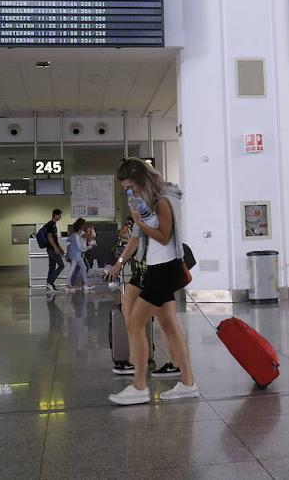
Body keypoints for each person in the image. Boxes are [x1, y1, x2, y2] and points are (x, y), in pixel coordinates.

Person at [107, 158, 198, 405]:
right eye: (125, 188)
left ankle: (138, 387)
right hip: (153, 268)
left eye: (131, 186)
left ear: (142, 181)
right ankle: (188, 383)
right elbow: (139, 238)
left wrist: (140, 224)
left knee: (135, 324)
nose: (129, 191)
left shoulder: (165, 200)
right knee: (168, 325)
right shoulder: (146, 202)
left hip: (164, 270)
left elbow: (163, 236)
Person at [64, 219, 96, 292]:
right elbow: (79, 247)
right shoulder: (76, 235)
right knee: (72, 269)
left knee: (83, 268)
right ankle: (68, 285)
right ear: (81, 226)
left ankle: (85, 284)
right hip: (75, 255)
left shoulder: (76, 234)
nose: (85, 225)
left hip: (77, 255)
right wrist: (89, 247)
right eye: (83, 224)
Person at [42, 209, 67, 293]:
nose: (60, 217)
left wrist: (60, 248)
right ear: (55, 215)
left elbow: (55, 239)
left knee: (52, 267)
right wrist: (55, 248)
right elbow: (49, 237)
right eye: (59, 215)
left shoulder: (54, 225)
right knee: (61, 265)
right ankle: (49, 283)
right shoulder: (50, 224)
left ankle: (50, 286)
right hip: (51, 249)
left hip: (53, 249)